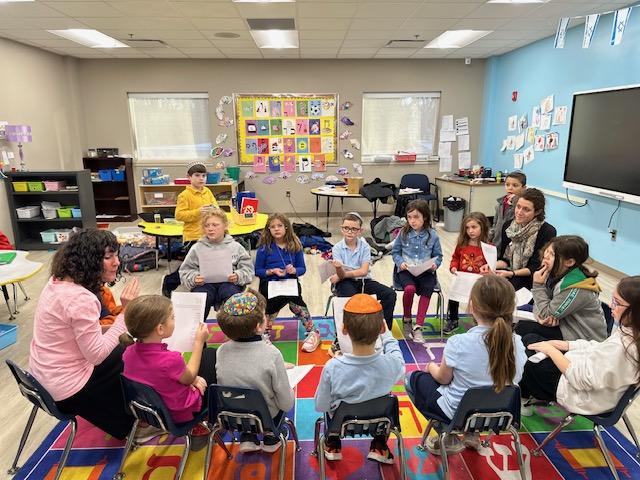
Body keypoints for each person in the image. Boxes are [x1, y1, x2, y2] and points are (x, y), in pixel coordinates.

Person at [29, 229, 145, 441]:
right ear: (88, 260)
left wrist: (113, 327)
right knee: (132, 355)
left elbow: (73, 332)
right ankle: (129, 424)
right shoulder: (81, 298)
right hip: (67, 390)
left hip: (41, 378)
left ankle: (118, 411)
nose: (117, 262)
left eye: (116, 255)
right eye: (108, 257)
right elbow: (96, 355)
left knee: (124, 347)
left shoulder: (56, 282)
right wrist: (125, 313)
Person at [405, 275, 526, 455]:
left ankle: (447, 433)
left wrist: (430, 367)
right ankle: (472, 434)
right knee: (477, 388)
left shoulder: (459, 342)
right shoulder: (518, 343)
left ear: (472, 306)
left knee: (411, 378)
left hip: (459, 414)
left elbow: (443, 379)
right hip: (500, 415)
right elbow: (515, 378)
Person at [521, 276, 640, 415]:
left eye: (617, 302)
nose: (611, 305)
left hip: (580, 394)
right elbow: (599, 348)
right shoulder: (631, 332)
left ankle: (523, 398)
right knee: (533, 341)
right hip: (587, 381)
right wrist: (567, 345)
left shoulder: (622, 346)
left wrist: (552, 351)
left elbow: (580, 379)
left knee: (529, 353)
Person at [314, 294, 404, 464]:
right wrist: (388, 336)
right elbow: (397, 356)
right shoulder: (392, 364)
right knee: (385, 399)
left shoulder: (333, 367)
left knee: (331, 407)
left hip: (341, 423)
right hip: (380, 421)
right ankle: (379, 445)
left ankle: (332, 443)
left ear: (344, 329)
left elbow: (321, 405)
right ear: (381, 329)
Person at [121, 295, 216, 444]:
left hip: (152, 411)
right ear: (160, 329)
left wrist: (192, 378)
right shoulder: (171, 360)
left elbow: (158, 376)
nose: (175, 320)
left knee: (202, 363)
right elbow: (189, 378)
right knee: (210, 355)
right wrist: (199, 342)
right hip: (180, 413)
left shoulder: (128, 352)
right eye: (172, 317)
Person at [215, 289, 294, 453]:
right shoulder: (272, 354)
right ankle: (271, 437)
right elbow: (286, 402)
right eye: (264, 315)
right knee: (281, 398)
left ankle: (247, 437)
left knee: (243, 395)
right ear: (259, 327)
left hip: (232, 417)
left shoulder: (221, 351)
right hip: (265, 418)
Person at [515, 235, 607, 342]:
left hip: (581, 336)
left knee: (523, 328)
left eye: (552, 254)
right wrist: (540, 316)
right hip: (564, 321)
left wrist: (538, 285)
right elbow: (541, 307)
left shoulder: (575, 286)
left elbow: (545, 314)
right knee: (518, 312)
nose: (546, 256)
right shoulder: (555, 271)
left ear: (569, 262)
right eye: (547, 251)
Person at [255, 213, 320, 352]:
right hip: (270, 282)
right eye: (272, 226)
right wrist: (272, 271)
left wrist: (294, 270)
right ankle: (264, 332)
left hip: (289, 281)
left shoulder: (295, 245)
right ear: (268, 229)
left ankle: (312, 331)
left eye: (279, 226)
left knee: (296, 300)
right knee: (272, 301)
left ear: (286, 227)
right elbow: (258, 271)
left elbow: (302, 269)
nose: (276, 229)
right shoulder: (264, 248)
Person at [179, 209, 254, 320]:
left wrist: (238, 275)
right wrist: (194, 278)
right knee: (200, 298)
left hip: (230, 283)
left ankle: (236, 328)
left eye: (215, 225)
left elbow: (248, 269)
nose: (210, 228)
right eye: (207, 225)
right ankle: (195, 328)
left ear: (225, 226)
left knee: (232, 297)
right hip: (204, 284)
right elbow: (185, 271)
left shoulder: (235, 247)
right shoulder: (197, 248)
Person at [330, 212, 396, 332]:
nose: (350, 232)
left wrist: (343, 275)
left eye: (354, 229)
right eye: (346, 228)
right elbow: (342, 274)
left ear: (360, 231)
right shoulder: (337, 248)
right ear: (341, 229)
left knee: (390, 294)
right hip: (345, 282)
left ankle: (384, 332)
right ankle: (349, 333)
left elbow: (364, 271)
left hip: (364, 280)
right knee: (353, 300)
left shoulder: (364, 246)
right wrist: (340, 273)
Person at [162, 161, 219, 298]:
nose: (201, 178)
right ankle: (170, 281)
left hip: (209, 234)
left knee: (205, 264)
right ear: (189, 177)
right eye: (197, 175)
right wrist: (198, 212)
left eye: (204, 175)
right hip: (193, 236)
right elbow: (179, 215)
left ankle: (204, 288)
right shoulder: (184, 195)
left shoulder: (207, 191)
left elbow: (216, 207)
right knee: (190, 266)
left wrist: (214, 209)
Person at [391, 199, 443, 343]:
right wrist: (400, 263)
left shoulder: (433, 235)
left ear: (424, 217)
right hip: (406, 271)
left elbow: (438, 256)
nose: (412, 221)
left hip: (425, 271)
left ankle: (418, 326)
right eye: (409, 217)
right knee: (409, 289)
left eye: (416, 217)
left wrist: (435, 265)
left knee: (428, 289)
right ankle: (407, 319)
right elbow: (395, 252)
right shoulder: (403, 233)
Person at [494, 188, 557, 291]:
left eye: (526, 209)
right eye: (518, 207)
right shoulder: (508, 227)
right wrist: (491, 266)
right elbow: (505, 259)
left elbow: (536, 266)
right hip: (509, 271)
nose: (519, 212)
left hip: (531, 277)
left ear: (537, 212)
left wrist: (511, 273)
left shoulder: (547, 231)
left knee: (504, 290)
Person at [445, 212, 491, 334]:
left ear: (482, 227)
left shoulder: (488, 246)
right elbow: (455, 258)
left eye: (474, 227)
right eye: (467, 228)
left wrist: (487, 271)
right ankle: (453, 319)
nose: (470, 231)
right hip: (462, 278)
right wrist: (453, 267)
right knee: (453, 297)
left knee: (478, 302)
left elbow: (491, 263)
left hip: (479, 281)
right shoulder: (462, 244)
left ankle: (479, 322)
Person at [490, 171, 527, 253]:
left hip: (511, 246)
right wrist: (489, 238)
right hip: (496, 243)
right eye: (507, 185)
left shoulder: (520, 206)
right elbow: (495, 224)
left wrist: (515, 200)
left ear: (523, 188)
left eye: (515, 185)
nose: (510, 188)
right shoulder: (500, 204)